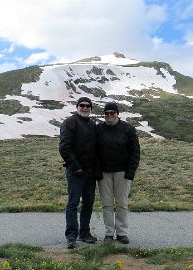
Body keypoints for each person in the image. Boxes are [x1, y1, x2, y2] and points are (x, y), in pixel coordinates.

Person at [96, 102, 140, 244]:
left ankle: (121, 233)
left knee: (122, 203)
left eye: (112, 113)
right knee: (107, 204)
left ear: (117, 114)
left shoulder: (128, 129)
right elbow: (94, 152)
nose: (109, 116)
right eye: (107, 113)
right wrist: (97, 172)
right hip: (104, 173)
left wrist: (130, 172)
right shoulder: (99, 129)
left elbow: (135, 152)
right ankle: (109, 233)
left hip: (122, 172)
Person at [59, 97, 97, 249]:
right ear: (77, 107)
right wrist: (76, 167)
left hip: (90, 172)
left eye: (88, 106)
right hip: (75, 171)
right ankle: (71, 236)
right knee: (73, 203)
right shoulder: (69, 123)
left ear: (91, 108)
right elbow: (64, 148)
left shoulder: (93, 125)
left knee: (88, 203)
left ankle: (85, 233)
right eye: (82, 105)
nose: (85, 108)